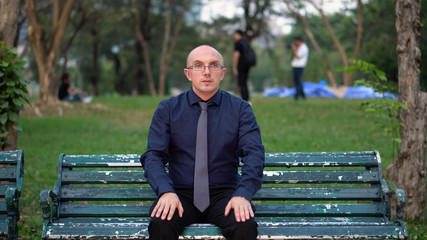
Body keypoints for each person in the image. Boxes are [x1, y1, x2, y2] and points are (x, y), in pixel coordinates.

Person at [140, 45, 265, 240]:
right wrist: (165, 191)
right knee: (161, 223)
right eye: (198, 66)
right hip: (180, 193)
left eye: (213, 66)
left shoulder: (240, 109)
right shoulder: (168, 109)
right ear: (188, 74)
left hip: (225, 194)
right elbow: (153, 155)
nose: (207, 72)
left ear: (222, 73)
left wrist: (243, 193)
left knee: (244, 225)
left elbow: (254, 154)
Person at [233, 30, 254, 102]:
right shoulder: (246, 42)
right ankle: (247, 99)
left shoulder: (238, 43)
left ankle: (244, 100)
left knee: (242, 82)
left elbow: (236, 55)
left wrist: (235, 67)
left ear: (238, 34)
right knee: (245, 81)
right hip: (247, 65)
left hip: (241, 65)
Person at [291, 36, 309, 100]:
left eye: (295, 42)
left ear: (299, 41)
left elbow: (298, 56)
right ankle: (303, 96)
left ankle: (296, 96)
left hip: (299, 66)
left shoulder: (304, 48)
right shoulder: (300, 47)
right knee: (297, 81)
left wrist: (293, 49)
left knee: (298, 82)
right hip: (296, 66)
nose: (295, 43)